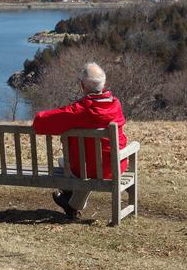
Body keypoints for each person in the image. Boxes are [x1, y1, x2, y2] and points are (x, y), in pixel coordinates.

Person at [32, 62, 128, 219]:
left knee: (68, 163)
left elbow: (40, 123)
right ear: (104, 84)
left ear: (82, 85)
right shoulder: (116, 104)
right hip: (115, 165)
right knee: (88, 163)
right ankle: (73, 204)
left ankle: (71, 198)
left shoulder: (80, 110)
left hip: (87, 168)